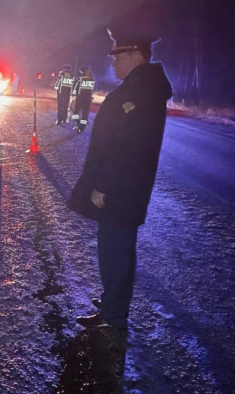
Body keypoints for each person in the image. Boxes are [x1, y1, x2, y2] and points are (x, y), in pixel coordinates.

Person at [67, 28, 173, 330]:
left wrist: (104, 185)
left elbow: (127, 147)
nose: (113, 62)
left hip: (121, 190)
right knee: (117, 248)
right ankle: (115, 299)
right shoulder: (141, 88)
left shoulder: (140, 93)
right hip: (126, 187)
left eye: (119, 56)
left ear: (137, 55)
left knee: (114, 250)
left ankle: (113, 315)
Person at [71, 67, 96, 132]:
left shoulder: (80, 79)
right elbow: (95, 89)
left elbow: (75, 88)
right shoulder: (93, 80)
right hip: (88, 99)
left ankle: (77, 123)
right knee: (85, 114)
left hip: (80, 99)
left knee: (75, 112)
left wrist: (73, 95)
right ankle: (82, 128)